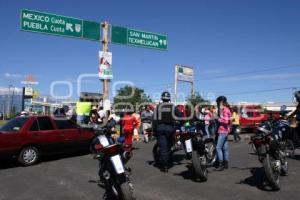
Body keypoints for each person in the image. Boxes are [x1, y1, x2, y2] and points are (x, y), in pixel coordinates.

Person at [153, 91, 181, 172]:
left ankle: (165, 165)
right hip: (170, 128)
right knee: (169, 145)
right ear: (169, 99)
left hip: (160, 128)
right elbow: (180, 116)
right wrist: (180, 123)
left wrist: (154, 130)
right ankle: (168, 160)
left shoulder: (158, 107)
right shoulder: (173, 107)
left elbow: (154, 119)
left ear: (162, 98)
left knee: (163, 147)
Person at [215, 96, 232, 171]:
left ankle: (221, 164)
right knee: (225, 148)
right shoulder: (226, 109)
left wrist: (217, 118)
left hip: (223, 131)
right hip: (225, 131)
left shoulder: (225, 110)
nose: (218, 105)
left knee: (218, 147)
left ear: (221, 102)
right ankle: (226, 163)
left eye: (218, 103)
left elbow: (226, 121)